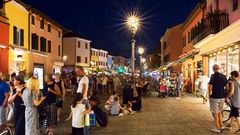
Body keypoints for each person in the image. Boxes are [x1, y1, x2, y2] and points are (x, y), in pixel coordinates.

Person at [208, 64, 228, 133]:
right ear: (219, 69)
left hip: (214, 96)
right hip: (222, 97)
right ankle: (221, 125)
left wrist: (209, 94)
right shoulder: (224, 76)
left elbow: (210, 85)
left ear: (213, 69)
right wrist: (225, 94)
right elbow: (227, 87)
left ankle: (217, 128)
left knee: (215, 113)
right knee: (219, 111)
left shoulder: (213, 76)